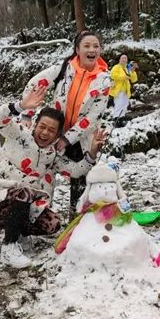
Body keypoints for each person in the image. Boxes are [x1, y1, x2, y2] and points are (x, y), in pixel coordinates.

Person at [0, 83, 106, 268]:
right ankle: (9, 247)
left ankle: (20, 236)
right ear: (35, 124)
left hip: (23, 206)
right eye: (42, 126)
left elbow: (77, 170)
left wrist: (92, 152)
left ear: (58, 135)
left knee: (53, 223)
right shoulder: (18, 135)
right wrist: (22, 105)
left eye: (51, 130)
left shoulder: (53, 156)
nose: (45, 132)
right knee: (25, 192)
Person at [21, 31, 112, 215]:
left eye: (96, 46)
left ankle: (76, 223)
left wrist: (68, 138)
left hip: (82, 138)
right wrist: (28, 113)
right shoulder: (64, 68)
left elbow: (93, 116)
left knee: (80, 182)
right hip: (53, 132)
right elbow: (36, 83)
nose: (92, 49)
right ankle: (38, 216)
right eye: (86, 46)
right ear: (77, 49)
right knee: (42, 175)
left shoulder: (104, 80)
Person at [109, 54, 139, 126]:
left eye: (125, 58)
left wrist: (133, 71)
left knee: (124, 104)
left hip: (126, 90)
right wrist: (124, 77)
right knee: (118, 104)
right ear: (119, 60)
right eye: (122, 58)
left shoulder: (127, 69)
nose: (124, 59)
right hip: (118, 89)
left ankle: (122, 118)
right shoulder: (116, 67)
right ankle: (116, 119)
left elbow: (134, 80)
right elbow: (113, 75)